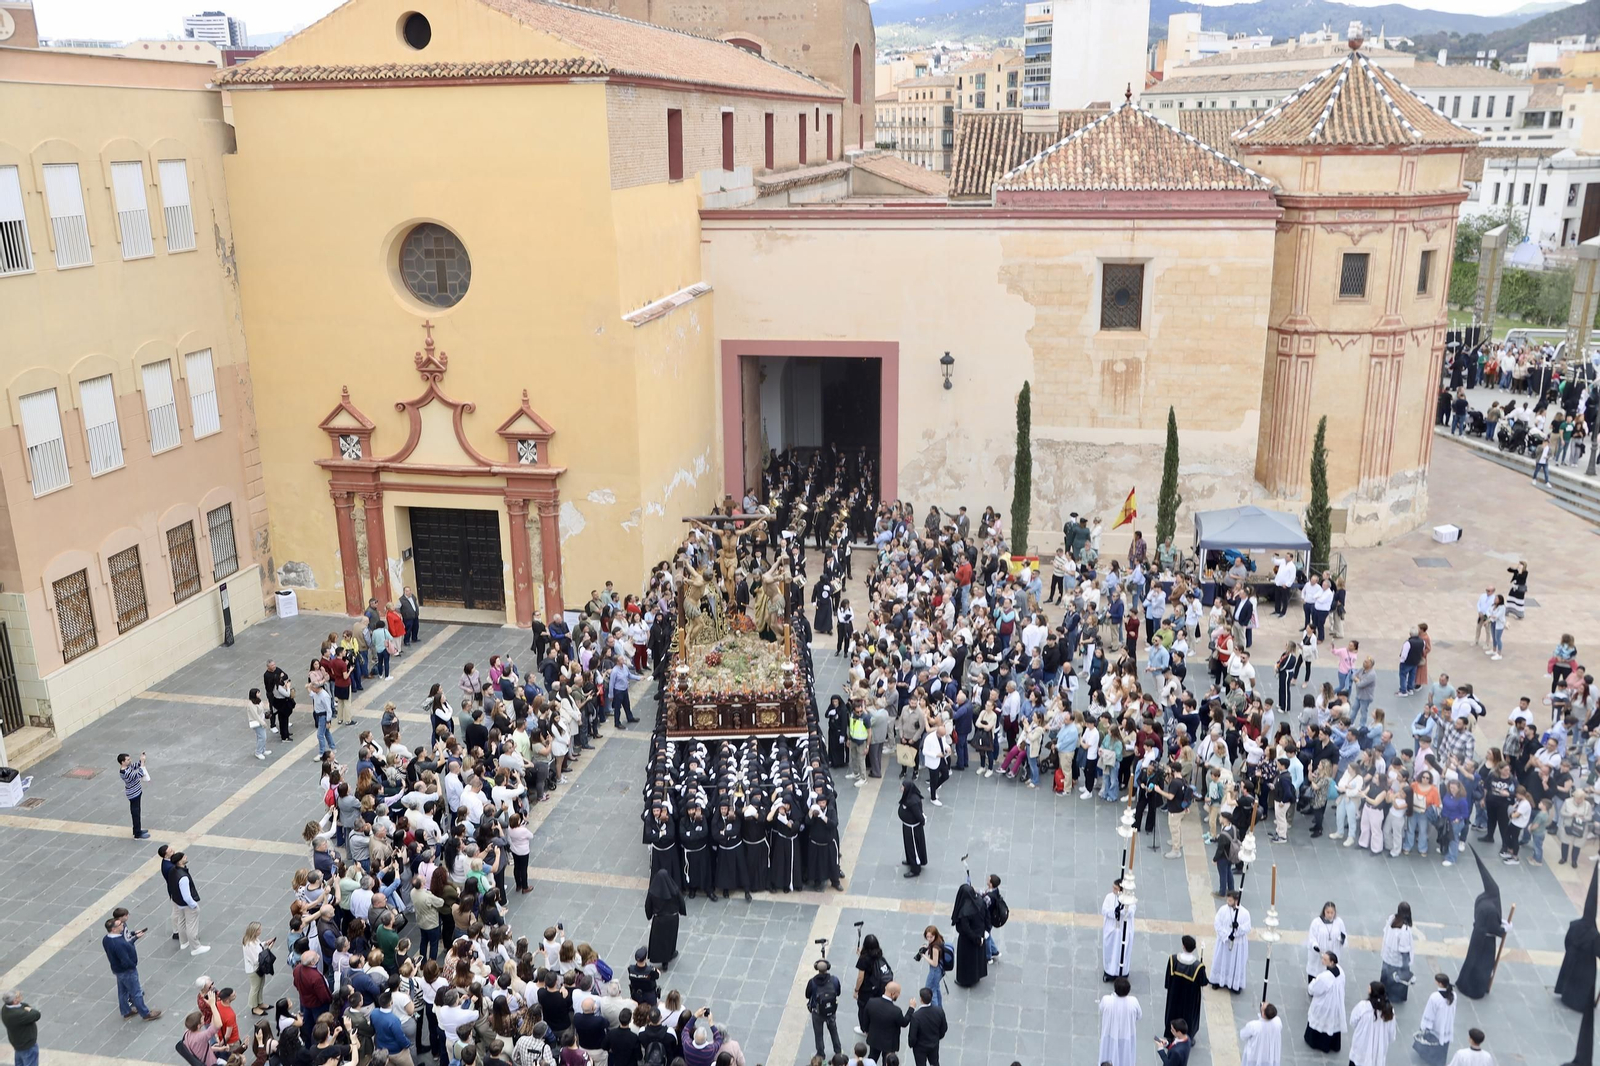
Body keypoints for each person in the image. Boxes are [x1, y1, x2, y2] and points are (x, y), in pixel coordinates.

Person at [1457, 850, 1510, 999]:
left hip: (1477, 936)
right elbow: (1493, 928)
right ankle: (1476, 988)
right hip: (1486, 941)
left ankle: (1464, 983)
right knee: (1483, 965)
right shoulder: (1491, 908)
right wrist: (1504, 929)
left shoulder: (1481, 899)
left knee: (1472, 960)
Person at [1555, 866, 1600, 1012]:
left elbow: (1567, 941)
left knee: (1570, 979)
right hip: (1586, 964)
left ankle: (1566, 997)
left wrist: (1571, 952)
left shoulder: (1575, 925)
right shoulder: (1594, 934)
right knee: (1583, 984)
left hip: (1573, 957)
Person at [102, 915, 162, 1022]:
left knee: (122, 991)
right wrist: (132, 965)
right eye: (120, 924)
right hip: (127, 971)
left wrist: (134, 937)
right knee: (136, 992)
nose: (122, 925)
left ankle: (126, 1011)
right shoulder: (118, 943)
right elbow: (125, 959)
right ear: (113, 929)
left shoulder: (106, 939)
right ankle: (146, 1014)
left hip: (117, 969)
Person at [1162, 935, 1205, 1042]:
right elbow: (1203, 982)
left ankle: (1170, 1034)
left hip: (1174, 995)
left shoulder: (1173, 959)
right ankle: (1187, 1036)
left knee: (1172, 1013)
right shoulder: (1198, 966)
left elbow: (1168, 978)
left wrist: (1169, 988)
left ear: (1183, 946)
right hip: (1190, 998)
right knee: (1188, 1016)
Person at [167, 850, 210, 956]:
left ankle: (184, 942)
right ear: (180, 861)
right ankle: (196, 947)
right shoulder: (183, 877)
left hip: (178, 901)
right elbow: (187, 896)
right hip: (186, 904)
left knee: (181, 922)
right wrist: (194, 905)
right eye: (183, 857)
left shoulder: (173, 870)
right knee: (191, 926)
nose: (186, 857)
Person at [1304, 950, 1345, 1054]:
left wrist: (1313, 983)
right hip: (1336, 1003)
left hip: (1324, 1004)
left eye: (1325, 959)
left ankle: (1317, 1043)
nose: (1322, 960)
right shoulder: (1341, 971)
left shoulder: (1324, 977)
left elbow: (1313, 989)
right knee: (1331, 1023)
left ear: (1332, 962)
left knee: (1320, 1021)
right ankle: (1332, 1044)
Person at [643, 869, 684, 971]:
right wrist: (682, 911)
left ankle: (664, 962)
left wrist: (649, 915)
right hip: (672, 918)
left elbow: (648, 905)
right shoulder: (674, 889)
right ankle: (671, 953)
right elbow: (681, 901)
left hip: (659, 920)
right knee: (671, 937)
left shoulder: (653, 892)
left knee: (660, 940)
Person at [1347, 981, 1396, 1066]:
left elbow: (1353, 1021)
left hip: (1363, 1045)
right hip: (1379, 1048)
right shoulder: (1389, 1010)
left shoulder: (1363, 1006)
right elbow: (1391, 1033)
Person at [950, 884, 988, 989]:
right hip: (980, 934)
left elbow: (966, 929)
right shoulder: (980, 901)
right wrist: (983, 934)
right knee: (977, 958)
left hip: (968, 940)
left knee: (966, 961)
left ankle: (966, 980)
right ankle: (977, 975)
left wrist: (975, 939)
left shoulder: (964, 912)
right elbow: (986, 917)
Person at [1211, 891, 1250, 993]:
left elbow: (1247, 927)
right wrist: (1227, 935)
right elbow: (1217, 923)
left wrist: (1238, 929)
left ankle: (1234, 984)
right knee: (1221, 960)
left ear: (1236, 900)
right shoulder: (1223, 910)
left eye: (1230, 900)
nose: (1228, 902)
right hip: (1224, 941)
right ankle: (1217, 980)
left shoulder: (1244, 913)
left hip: (1237, 944)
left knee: (1235, 963)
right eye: (1227, 900)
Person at [1096, 975, 1140, 1066]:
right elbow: (1139, 1016)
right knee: (1126, 1058)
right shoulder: (1133, 1002)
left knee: (1108, 1055)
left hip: (1110, 1033)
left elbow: (1101, 1009)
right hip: (1127, 1035)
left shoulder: (1106, 1000)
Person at [805, 958, 842, 1061]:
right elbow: (838, 992)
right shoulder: (834, 980)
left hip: (817, 1013)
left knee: (818, 1033)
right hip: (831, 1011)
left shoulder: (812, 982)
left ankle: (821, 1054)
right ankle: (838, 1051)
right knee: (833, 1031)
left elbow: (807, 995)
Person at [1101, 878, 1135, 981]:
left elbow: (1131, 912)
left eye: (1115, 888)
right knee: (1110, 950)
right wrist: (1114, 912)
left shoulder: (1129, 899)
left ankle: (1122, 973)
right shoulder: (1109, 897)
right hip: (1111, 929)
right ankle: (1109, 972)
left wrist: (1121, 911)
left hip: (1123, 931)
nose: (1113, 890)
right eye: (1113, 887)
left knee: (1122, 951)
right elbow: (1104, 910)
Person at [1418, 974, 1457, 1063]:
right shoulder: (1453, 995)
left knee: (1433, 1041)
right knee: (1443, 1041)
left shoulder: (1435, 996)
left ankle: (1430, 1058)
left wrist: (1425, 1025)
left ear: (1439, 983)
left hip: (1437, 1024)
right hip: (1447, 1022)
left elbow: (1429, 1012)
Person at [863, 981, 906, 1063]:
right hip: (889, 1043)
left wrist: (867, 1030)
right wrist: (911, 1009)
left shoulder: (871, 1002)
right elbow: (903, 1023)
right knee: (888, 1061)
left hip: (874, 1039)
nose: (899, 995)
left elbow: (865, 1019)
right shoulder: (896, 1011)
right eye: (898, 993)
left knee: (872, 1058)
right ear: (893, 994)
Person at [904, 986, 946, 1066]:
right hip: (934, 1044)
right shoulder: (939, 1011)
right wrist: (937, 1037)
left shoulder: (916, 1016)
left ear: (921, 999)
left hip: (920, 1048)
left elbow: (912, 1036)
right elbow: (944, 1028)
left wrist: (912, 1044)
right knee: (935, 1062)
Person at [1306, 902, 1346, 984]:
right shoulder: (1316, 922)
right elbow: (1312, 937)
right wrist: (1315, 945)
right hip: (1320, 952)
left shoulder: (1339, 922)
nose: (1330, 915)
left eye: (1332, 913)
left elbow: (1343, 934)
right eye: (1328, 912)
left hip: (1333, 950)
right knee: (1316, 970)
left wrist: (1342, 939)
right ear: (1324, 911)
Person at [117, 752, 151, 839]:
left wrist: (142, 759)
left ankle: (137, 830)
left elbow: (137, 765)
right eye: (128, 760)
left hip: (136, 792)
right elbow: (139, 773)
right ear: (122, 762)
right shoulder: (125, 773)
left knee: (137, 812)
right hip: (133, 794)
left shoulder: (128, 767)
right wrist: (142, 764)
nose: (130, 761)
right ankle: (137, 833)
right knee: (136, 813)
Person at [2, 990, 41, 1066]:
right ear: (15, 1000)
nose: (21, 996)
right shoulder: (18, 1014)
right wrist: (30, 1009)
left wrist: (24, 1007)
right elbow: (36, 1015)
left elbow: (23, 1005)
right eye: (19, 996)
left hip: (18, 1044)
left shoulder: (5, 1009)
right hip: (27, 1045)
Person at [899, 780, 927, 878]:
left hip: (912, 828)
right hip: (907, 826)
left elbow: (919, 815)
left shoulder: (913, 801)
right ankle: (910, 860)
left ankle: (915, 869)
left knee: (913, 848)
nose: (901, 788)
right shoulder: (908, 796)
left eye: (903, 786)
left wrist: (922, 821)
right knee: (908, 845)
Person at [1239, 1002, 1282, 1066]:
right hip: (1269, 1056)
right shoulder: (1278, 1022)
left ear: (1264, 1014)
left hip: (1254, 1056)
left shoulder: (1253, 1026)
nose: (1264, 1003)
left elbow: (1243, 1035)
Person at [246, 689, 272, 760]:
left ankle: (262, 750)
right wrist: (263, 723)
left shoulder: (258, 700)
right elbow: (256, 716)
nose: (259, 693)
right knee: (262, 737)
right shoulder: (251, 705)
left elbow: (261, 710)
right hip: (257, 722)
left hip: (261, 720)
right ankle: (258, 752)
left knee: (261, 737)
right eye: (258, 692)